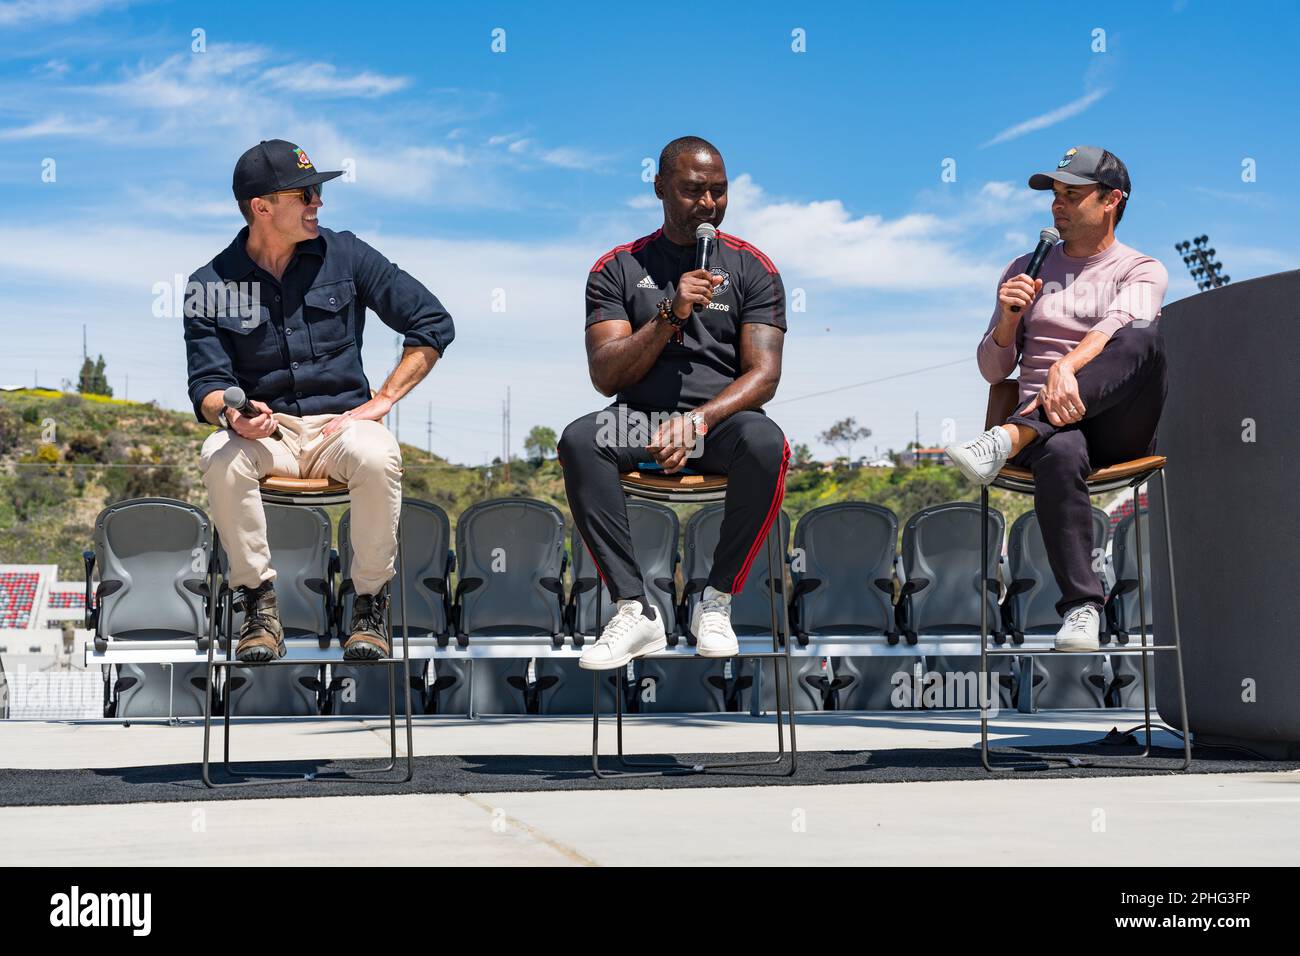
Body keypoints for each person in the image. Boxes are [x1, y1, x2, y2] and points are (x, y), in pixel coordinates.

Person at [184, 139, 454, 662]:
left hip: (342, 428)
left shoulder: (347, 254)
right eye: (305, 193)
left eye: (318, 192)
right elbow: (206, 385)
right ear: (261, 207)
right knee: (218, 456)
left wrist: (384, 398)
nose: (318, 203)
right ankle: (259, 608)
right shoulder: (208, 283)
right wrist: (233, 415)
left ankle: (369, 605)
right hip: (269, 434)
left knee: (379, 454)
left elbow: (432, 322)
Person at [558, 136, 790, 671]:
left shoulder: (754, 268)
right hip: (641, 423)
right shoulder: (616, 268)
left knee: (766, 442)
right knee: (579, 439)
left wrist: (698, 421)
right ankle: (633, 608)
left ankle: (718, 599)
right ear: (660, 187)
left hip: (718, 425)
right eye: (692, 191)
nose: (708, 204)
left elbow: (765, 375)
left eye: (719, 192)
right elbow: (605, 374)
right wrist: (670, 313)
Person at [945, 145, 1168, 651]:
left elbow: (1119, 331)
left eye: (1072, 194)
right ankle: (1084, 608)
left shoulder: (1142, 268)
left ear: (1112, 200)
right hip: (1053, 439)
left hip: (1117, 430)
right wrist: (1008, 320)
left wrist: (1065, 365)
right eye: (1054, 195)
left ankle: (1007, 436)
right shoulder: (1024, 267)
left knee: (1142, 335)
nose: (1057, 205)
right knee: (1063, 448)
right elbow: (991, 370)